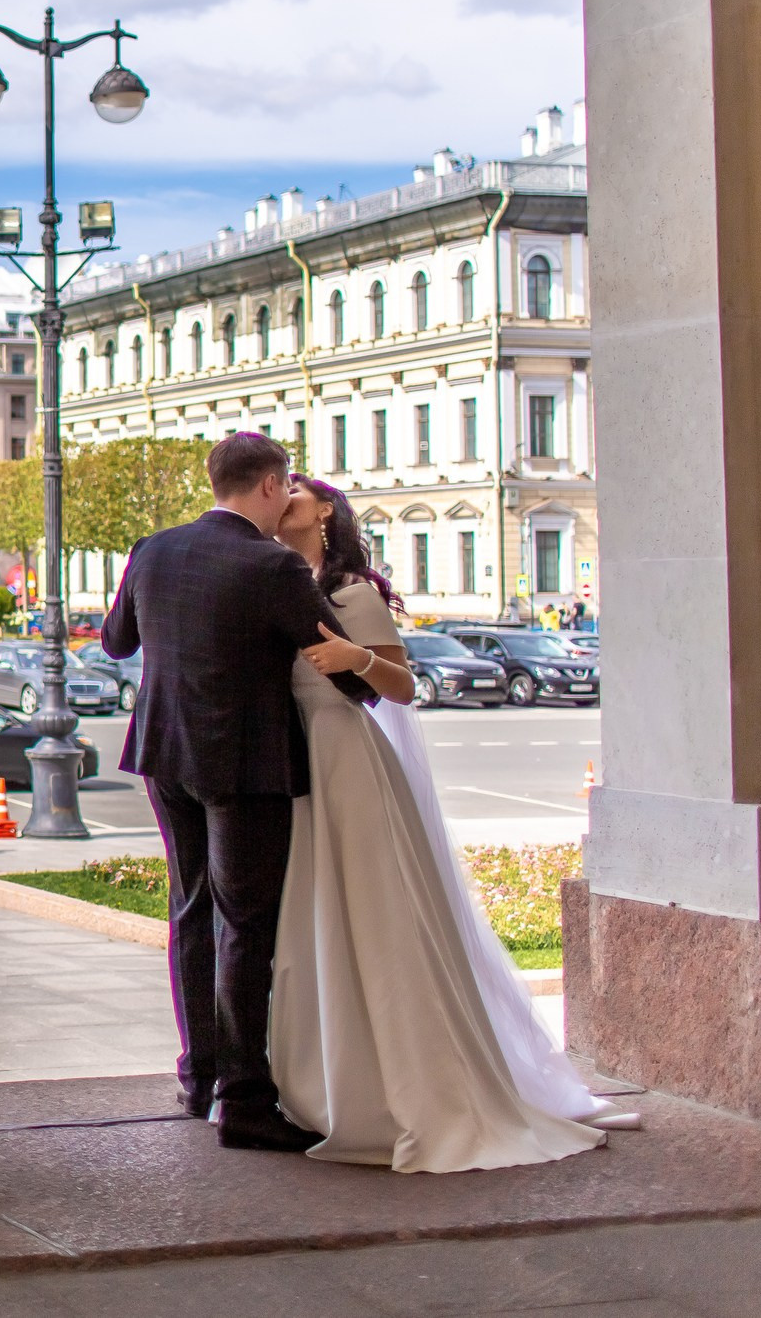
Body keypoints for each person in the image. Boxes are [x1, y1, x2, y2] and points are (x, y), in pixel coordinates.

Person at [262, 475, 634, 1170]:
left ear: (325, 511)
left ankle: (412, 1088)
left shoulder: (353, 591)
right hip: (298, 772)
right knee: (315, 927)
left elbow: (401, 687)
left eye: (299, 489)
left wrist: (355, 658)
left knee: (377, 921)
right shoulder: (277, 584)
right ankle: (325, 1086)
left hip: (348, 763)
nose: (285, 495)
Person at [99, 432, 354, 1153]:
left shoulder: (152, 549)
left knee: (191, 908)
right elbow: (340, 662)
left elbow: (118, 642)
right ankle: (245, 1099)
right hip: (243, 762)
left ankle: (200, 1072)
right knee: (245, 923)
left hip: (164, 752)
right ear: (270, 485)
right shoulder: (271, 563)